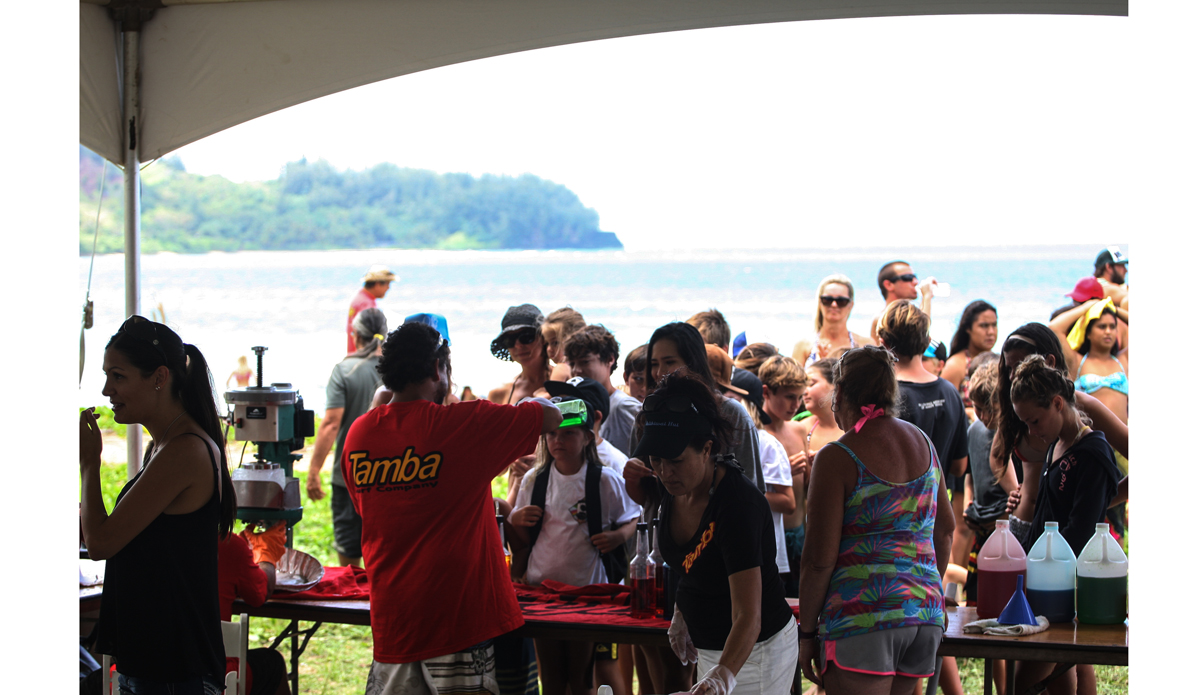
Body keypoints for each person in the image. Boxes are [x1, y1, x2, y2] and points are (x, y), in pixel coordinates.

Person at [341, 321, 562, 694]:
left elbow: (371, 509)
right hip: (460, 619)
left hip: (394, 619)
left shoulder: (359, 435)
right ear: (436, 369)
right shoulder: (462, 426)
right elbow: (550, 416)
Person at [80, 316, 235, 694]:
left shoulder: (184, 450)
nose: (106, 390)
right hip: (157, 665)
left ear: (159, 377)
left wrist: (89, 464)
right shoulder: (166, 446)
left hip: (173, 671)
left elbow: (100, 542)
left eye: (118, 376)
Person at [628, 371, 798, 694]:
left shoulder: (736, 505)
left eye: (675, 461)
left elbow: (749, 615)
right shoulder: (677, 487)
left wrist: (722, 677)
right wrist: (682, 609)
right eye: (656, 460)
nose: (664, 472)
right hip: (713, 648)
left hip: (756, 651)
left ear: (707, 449)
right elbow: (695, 564)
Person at [798, 346, 955, 695]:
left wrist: (806, 633)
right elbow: (945, 531)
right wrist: (921, 588)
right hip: (923, 613)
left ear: (841, 394)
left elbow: (819, 560)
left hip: (864, 616)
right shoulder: (924, 444)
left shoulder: (838, 456)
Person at [509, 393, 640, 695]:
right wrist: (517, 520)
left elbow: (633, 517)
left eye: (568, 433)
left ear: (587, 438)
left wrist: (618, 536)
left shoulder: (604, 480)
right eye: (552, 434)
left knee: (582, 678)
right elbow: (521, 531)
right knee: (552, 679)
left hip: (587, 592)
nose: (558, 440)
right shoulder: (534, 480)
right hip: (542, 589)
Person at [1008, 355, 1121, 695]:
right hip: (1044, 580)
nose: (1032, 431)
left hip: (1061, 585)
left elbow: (1080, 531)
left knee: (1027, 681)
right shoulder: (1057, 444)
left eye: (1035, 420)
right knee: (1057, 677)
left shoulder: (1093, 453)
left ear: (1058, 403)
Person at [875, 301, 968, 695]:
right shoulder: (949, 391)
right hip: (937, 513)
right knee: (926, 622)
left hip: (899, 526)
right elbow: (960, 465)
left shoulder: (890, 397)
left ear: (883, 340)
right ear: (927, 340)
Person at [992, 323, 1129, 539]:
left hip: (1066, 534)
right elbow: (997, 455)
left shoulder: (1080, 408)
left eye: (1018, 367)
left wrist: (1097, 501)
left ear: (1048, 363)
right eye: (1008, 369)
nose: (1012, 377)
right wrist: (1013, 488)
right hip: (1024, 525)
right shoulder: (1019, 409)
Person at [305, 308, 388, 567]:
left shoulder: (345, 370)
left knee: (349, 556)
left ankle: (353, 601)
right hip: (391, 473)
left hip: (349, 476)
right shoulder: (395, 370)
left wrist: (314, 471)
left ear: (355, 336)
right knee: (385, 553)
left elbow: (330, 423)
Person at [218, 524, 291, 695]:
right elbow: (261, 593)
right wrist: (266, 553)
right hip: (215, 675)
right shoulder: (226, 544)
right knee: (273, 664)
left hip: (153, 669)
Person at [564, 324, 642, 457]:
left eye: (585, 362)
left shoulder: (624, 406)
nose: (576, 370)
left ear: (609, 359)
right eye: (572, 364)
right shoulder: (573, 406)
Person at [792, 274, 875, 368]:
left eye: (841, 301)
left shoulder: (865, 344)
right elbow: (795, 381)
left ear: (850, 305)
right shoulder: (804, 346)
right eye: (827, 300)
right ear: (820, 302)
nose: (834, 305)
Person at [488, 303, 553, 405]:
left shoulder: (566, 380)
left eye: (526, 337)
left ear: (543, 337)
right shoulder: (500, 394)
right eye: (510, 340)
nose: (518, 345)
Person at [869, 260, 938, 342]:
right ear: (889, 285)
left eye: (915, 277)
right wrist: (926, 297)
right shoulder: (882, 318)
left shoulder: (911, 317)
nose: (915, 282)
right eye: (908, 278)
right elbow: (919, 334)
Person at [941, 300, 999, 391]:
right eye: (984, 326)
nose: (991, 332)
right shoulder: (955, 366)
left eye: (994, 325)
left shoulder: (998, 362)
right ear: (968, 328)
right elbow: (946, 403)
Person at [347, 265, 395, 354]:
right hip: (364, 356)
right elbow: (368, 336)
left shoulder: (360, 297)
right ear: (377, 284)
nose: (388, 288)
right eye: (387, 284)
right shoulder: (366, 304)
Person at [543, 307, 587, 382]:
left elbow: (554, 393)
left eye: (555, 343)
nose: (548, 349)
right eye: (547, 343)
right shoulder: (589, 367)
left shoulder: (561, 369)